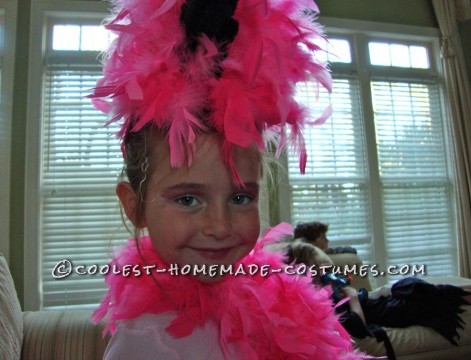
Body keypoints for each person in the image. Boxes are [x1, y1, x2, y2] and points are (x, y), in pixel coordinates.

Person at [89, 0, 366, 359]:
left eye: (240, 198)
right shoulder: (145, 343)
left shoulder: (265, 299)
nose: (220, 228)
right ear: (134, 205)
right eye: (188, 199)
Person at [286, 230, 471, 360]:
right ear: (310, 268)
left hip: (379, 303)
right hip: (385, 313)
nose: (328, 267)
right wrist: (353, 297)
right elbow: (358, 328)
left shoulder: (328, 286)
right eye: (321, 264)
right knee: (423, 293)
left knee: (415, 285)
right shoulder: (321, 301)